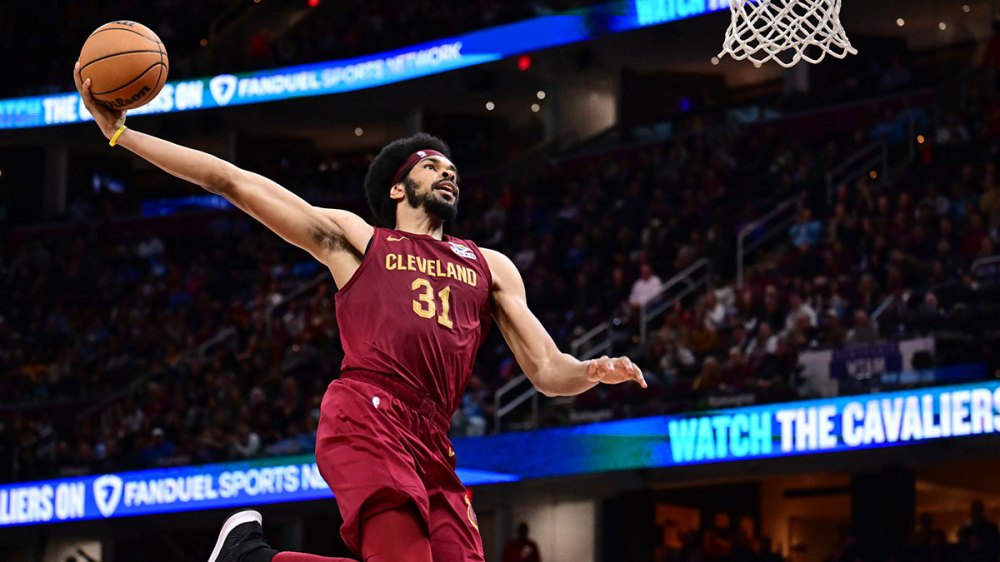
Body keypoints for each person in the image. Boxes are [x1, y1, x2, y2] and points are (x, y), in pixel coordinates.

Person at [74, 64, 646, 562]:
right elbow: (232, 182)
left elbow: (547, 371)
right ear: (398, 189)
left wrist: (591, 371)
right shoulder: (358, 240)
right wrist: (122, 133)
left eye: (452, 169)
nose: (448, 173)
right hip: (368, 411)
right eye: (431, 166)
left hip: (434, 438)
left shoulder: (490, 266)